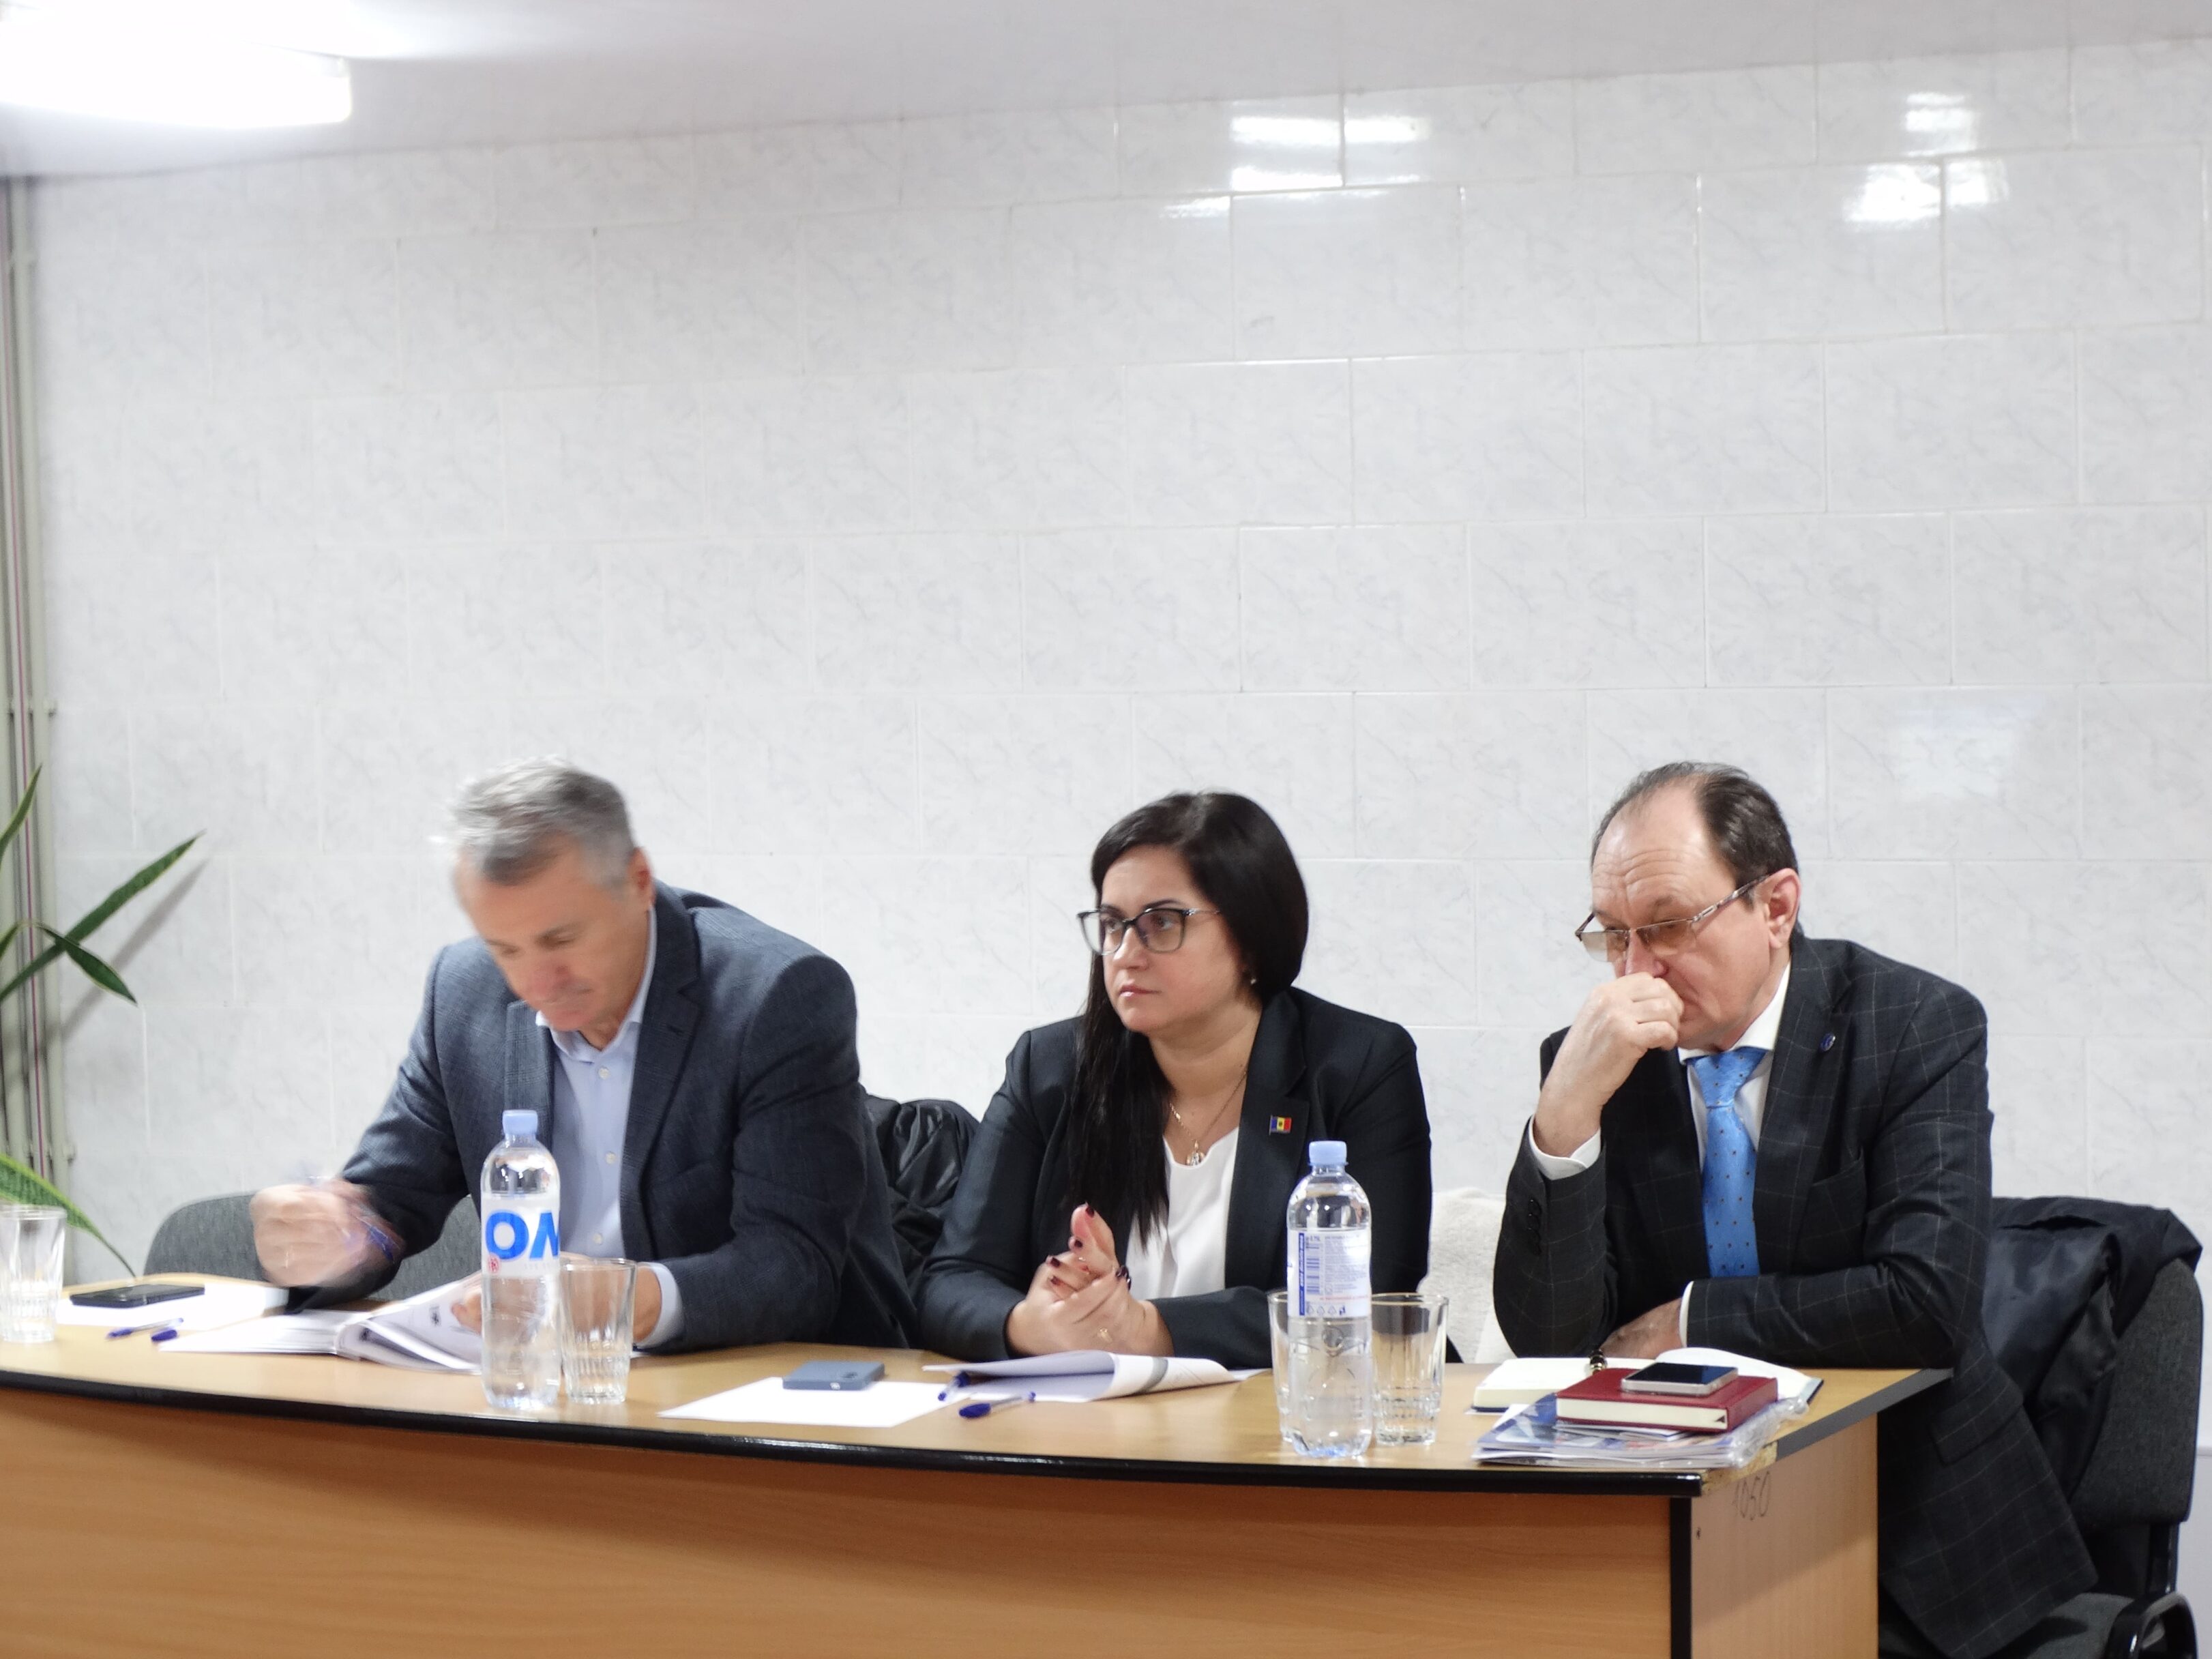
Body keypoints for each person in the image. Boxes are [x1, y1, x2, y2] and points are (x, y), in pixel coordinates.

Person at [1490, 762, 2091, 1659]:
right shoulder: (1601, 1060)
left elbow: (1924, 1302)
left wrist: (1687, 1321)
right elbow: (1551, 1337)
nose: (1635, 969)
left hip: (1914, 1537)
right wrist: (1562, 1118)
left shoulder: (1911, 1024)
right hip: (1677, 1534)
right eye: (1611, 935)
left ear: (1774, 907)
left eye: (1666, 926)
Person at [250, 759, 913, 1351]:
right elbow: (388, 1205)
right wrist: (328, 1242)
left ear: (639, 880)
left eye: (561, 939)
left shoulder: (773, 995)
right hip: (544, 1384)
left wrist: (626, 1299)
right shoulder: (463, 992)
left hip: (767, 1385)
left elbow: (794, 1266)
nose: (536, 981)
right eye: (505, 948)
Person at [917, 791, 1433, 1367]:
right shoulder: (1049, 1067)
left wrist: (1148, 1329)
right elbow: (951, 1280)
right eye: (1111, 925)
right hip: (1093, 1416)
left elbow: (1373, 1298)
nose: (1124, 954)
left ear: (1250, 940)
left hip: (1291, 1414)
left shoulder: (1359, 1065)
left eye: (1160, 923)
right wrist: (1030, 1325)